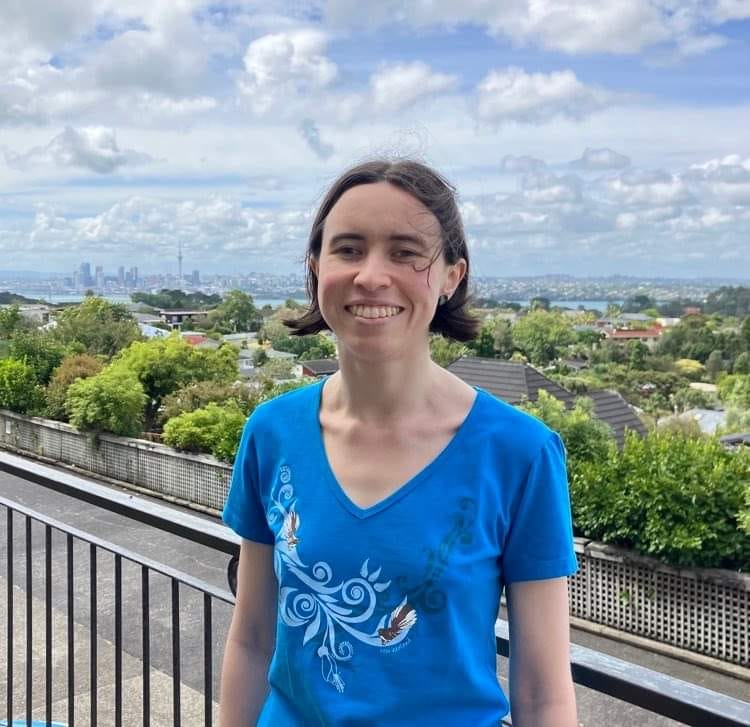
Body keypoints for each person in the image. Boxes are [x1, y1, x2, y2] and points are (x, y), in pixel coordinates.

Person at [219, 159, 578, 726]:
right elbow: (253, 638)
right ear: (316, 269)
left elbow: (544, 694)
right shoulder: (272, 432)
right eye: (349, 248)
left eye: (406, 252)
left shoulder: (519, 454)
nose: (371, 275)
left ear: (452, 276)